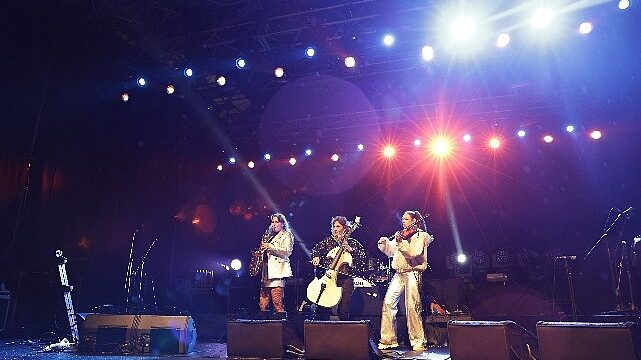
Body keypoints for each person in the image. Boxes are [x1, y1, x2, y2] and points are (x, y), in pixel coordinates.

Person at [377, 210, 433, 351]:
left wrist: (401, 243)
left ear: (414, 220)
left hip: (413, 272)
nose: (403, 221)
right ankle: (388, 339)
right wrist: (384, 244)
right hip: (399, 273)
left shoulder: (421, 235)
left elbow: (413, 253)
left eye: (406, 219)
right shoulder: (401, 234)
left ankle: (418, 341)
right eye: (403, 219)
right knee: (388, 303)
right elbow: (391, 251)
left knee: (412, 307)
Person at [310, 216, 367, 320]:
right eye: (333, 226)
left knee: (343, 308)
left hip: (345, 278)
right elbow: (316, 250)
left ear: (344, 228)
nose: (334, 229)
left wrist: (351, 250)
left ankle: (344, 330)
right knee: (322, 305)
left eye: (338, 226)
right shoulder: (328, 242)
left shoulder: (352, 243)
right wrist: (316, 256)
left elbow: (362, 260)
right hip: (329, 277)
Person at [257, 213, 294, 319]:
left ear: (282, 223)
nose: (274, 224)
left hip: (277, 271)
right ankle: (262, 325)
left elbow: (287, 252)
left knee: (277, 300)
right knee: (263, 301)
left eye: (276, 222)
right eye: (272, 222)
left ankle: (281, 325)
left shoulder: (287, 234)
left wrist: (271, 247)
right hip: (267, 270)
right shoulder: (269, 236)